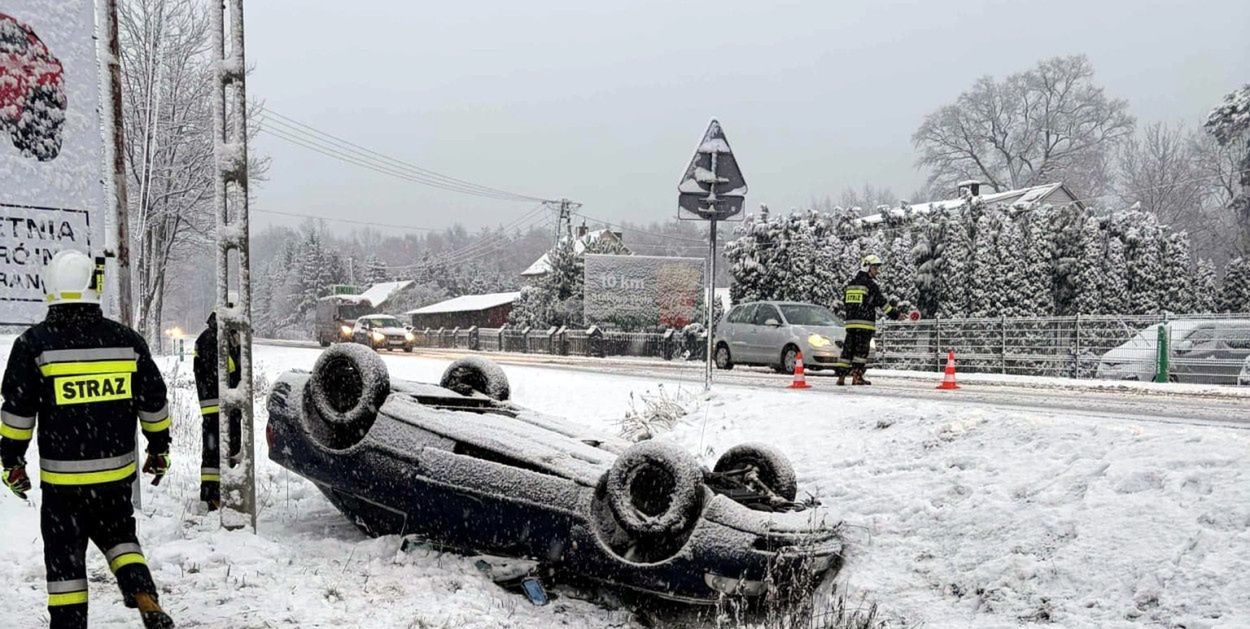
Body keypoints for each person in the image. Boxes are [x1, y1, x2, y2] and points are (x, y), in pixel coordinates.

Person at [0, 250, 175, 629]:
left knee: (65, 561)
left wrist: (12, 462)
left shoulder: (34, 345)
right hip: (114, 478)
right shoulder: (126, 341)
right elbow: (154, 403)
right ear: (93, 289)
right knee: (121, 539)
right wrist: (159, 448)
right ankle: (145, 596)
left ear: (52, 288)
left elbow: (17, 414)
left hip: (63, 485)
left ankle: (69, 623)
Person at [193, 305, 241, 511]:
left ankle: (220, 491)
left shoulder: (215, 337)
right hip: (218, 405)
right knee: (216, 451)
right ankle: (213, 495)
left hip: (223, 404)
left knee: (223, 448)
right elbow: (226, 372)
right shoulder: (212, 340)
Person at [834, 254, 903, 386]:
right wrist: (896, 315)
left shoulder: (851, 284)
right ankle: (857, 376)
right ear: (867, 267)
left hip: (851, 324)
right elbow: (883, 304)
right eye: (875, 268)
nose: (877, 271)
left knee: (848, 349)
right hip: (865, 324)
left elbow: (846, 303)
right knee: (861, 351)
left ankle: (841, 376)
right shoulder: (870, 285)